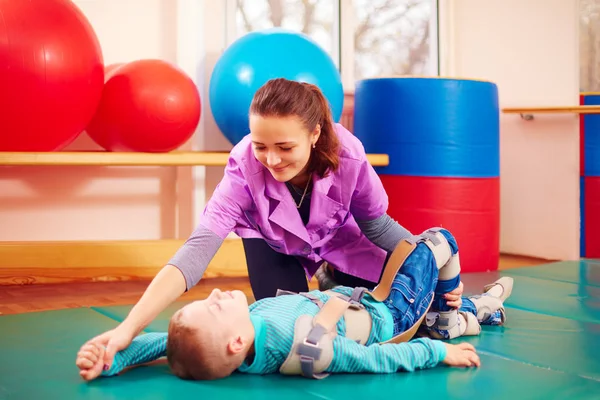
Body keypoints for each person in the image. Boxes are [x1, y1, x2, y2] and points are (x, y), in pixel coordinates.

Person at [81, 77, 464, 371]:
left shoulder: (348, 156)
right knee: (282, 319)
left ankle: (340, 279)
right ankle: (331, 285)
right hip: (272, 245)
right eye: (260, 145)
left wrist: (436, 269)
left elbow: (378, 227)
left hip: (339, 242)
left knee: (404, 306)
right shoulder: (243, 167)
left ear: (314, 135)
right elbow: (197, 251)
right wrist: (127, 331)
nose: (271, 160)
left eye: (285, 147)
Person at [76, 228, 513, 381]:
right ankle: (445, 322)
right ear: (233, 343)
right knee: (439, 241)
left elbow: (168, 344)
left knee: (332, 262)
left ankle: (472, 311)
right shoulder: (307, 346)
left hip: (351, 298)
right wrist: (437, 352)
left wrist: (116, 355)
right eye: (211, 307)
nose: (211, 295)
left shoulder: (239, 336)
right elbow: (376, 359)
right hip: (391, 314)